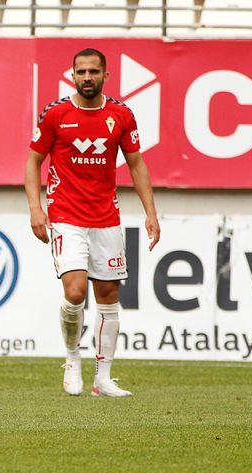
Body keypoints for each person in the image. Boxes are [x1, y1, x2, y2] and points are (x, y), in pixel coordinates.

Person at [25, 47, 161, 398]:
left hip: (106, 218)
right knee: (74, 292)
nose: (87, 78)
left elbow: (136, 164)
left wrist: (151, 212)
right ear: (72, 75)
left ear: (106, 76)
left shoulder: (121, 114)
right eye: (81, 72)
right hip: (66, 216)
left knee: (108, 295)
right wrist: (35, 209)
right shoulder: (56, 114)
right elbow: (33, 162)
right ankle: (72, 360)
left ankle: (103, 378)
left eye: (93, 72)